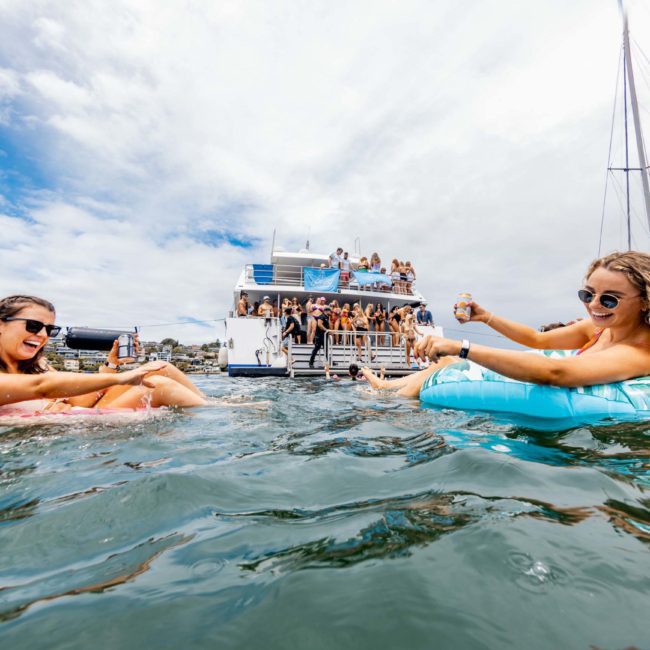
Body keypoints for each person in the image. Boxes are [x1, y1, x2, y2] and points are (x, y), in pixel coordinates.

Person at [362, 251, 650, 397]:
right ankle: (387, 388)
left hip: (582, 433)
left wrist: (464, 347)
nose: (594, 305)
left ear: (645, 300)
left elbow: (556, 371)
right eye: (587, 294)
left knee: (450, 363)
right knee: (445, 363)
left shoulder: (640, 350)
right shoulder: (599, 329)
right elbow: (538, 341)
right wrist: (486, 317)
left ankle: (386, 408)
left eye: (610, 299)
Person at [0, 295, 207, 412]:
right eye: (34, 325)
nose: (43, 335)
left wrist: (112, 365)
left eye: (50, 329)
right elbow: (42, 388)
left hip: (76, 416)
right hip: (71, 428)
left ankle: (216, 406)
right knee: (161, 388)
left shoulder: (39, 365)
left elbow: (77, 401)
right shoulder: (33, 378)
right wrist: (121, 378)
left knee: (162, 369)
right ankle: (214, 416)